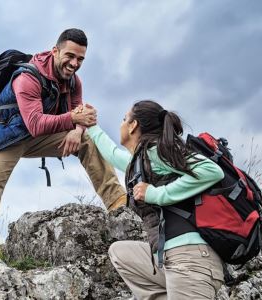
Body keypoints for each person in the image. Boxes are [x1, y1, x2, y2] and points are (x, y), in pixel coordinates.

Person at [0, 28, 127, 266]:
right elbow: (36, 123)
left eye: (80, 59)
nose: (74, 63)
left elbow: (78, 114)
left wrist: (76, 131)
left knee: (87, 141)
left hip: (39, 135)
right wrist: (73, 121)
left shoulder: (73, 81)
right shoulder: (27, 77)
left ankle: (118, 203)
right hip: (5, 138)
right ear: (55, 50)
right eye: (69, 56)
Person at [87, 100, 225, 299]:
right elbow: (113, 155)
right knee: (120, 253)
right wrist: (91, 127)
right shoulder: (142, 161)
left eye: (124, 119)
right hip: (168, 258)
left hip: (191, 259)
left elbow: (211, 170)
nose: (121, 123)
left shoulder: (157, 150)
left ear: (133, 125)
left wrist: (156, 194)